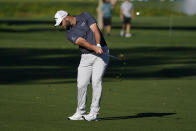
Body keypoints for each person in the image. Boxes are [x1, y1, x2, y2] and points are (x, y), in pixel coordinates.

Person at [54, 10, 109, 121]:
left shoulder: (85, 15)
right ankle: (80, 112)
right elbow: (82, 42)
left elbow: (95, 30)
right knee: (81, 84)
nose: (61, 25)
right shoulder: (69, 33)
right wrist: (94, 48)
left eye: (61, 23)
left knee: (96, 82)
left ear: (66, 18)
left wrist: (98, 45)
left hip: (101, 54)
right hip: (85, 57)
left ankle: (94, 113)